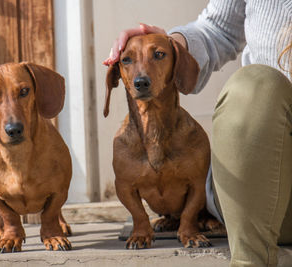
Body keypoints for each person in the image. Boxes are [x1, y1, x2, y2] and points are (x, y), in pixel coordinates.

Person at [103, 1, 292, 267]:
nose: (141, 74)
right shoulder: (123, 146)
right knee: (255, 85)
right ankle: (251, 260)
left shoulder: (192, 141)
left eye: (158, 56)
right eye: (128, 61)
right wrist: (173, 44)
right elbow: (218, 29)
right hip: (264, 201)